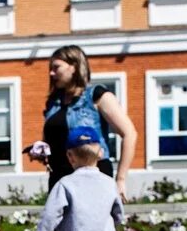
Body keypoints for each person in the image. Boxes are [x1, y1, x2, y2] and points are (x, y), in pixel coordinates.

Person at [27, 45, 137, 199]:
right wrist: (39, 150)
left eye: (56, 67)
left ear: (74, 67)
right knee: (59, 222)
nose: (52, 73)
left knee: (90, 222)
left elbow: (129, 134)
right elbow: (51, 141)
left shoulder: (97, 96)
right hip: (60, 178)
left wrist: (121, 179)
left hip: (92, 176)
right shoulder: (53, 103)